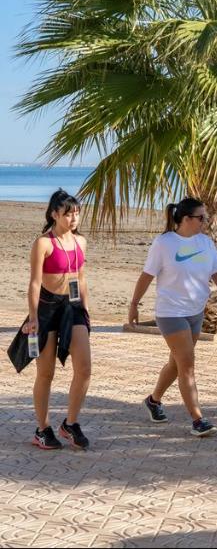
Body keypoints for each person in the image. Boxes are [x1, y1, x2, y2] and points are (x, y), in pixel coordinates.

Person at [128, 198, 217, 437]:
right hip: (170, 313)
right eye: (201, 218)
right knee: (187, 365)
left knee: (176, 364)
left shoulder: (205, 242)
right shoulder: (164, 243)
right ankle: (198, 419)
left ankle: (153, 401)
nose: (205, 222)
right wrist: (134, 304)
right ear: (186, 219)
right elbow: (146, 276)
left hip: (196, 312)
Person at [23, 189, 92, 450]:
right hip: (47, 309)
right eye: (68, 213)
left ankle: (70, 424)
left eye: (76, 212)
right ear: (54, 214)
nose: (74, 218)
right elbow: (34, 283)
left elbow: (81, 277)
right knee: (46, 373)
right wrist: (33, 318)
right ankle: (42, 429)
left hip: (72, 308)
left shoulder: (80, 242)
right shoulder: (44, 243)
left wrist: (85, 310)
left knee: (84, 368)